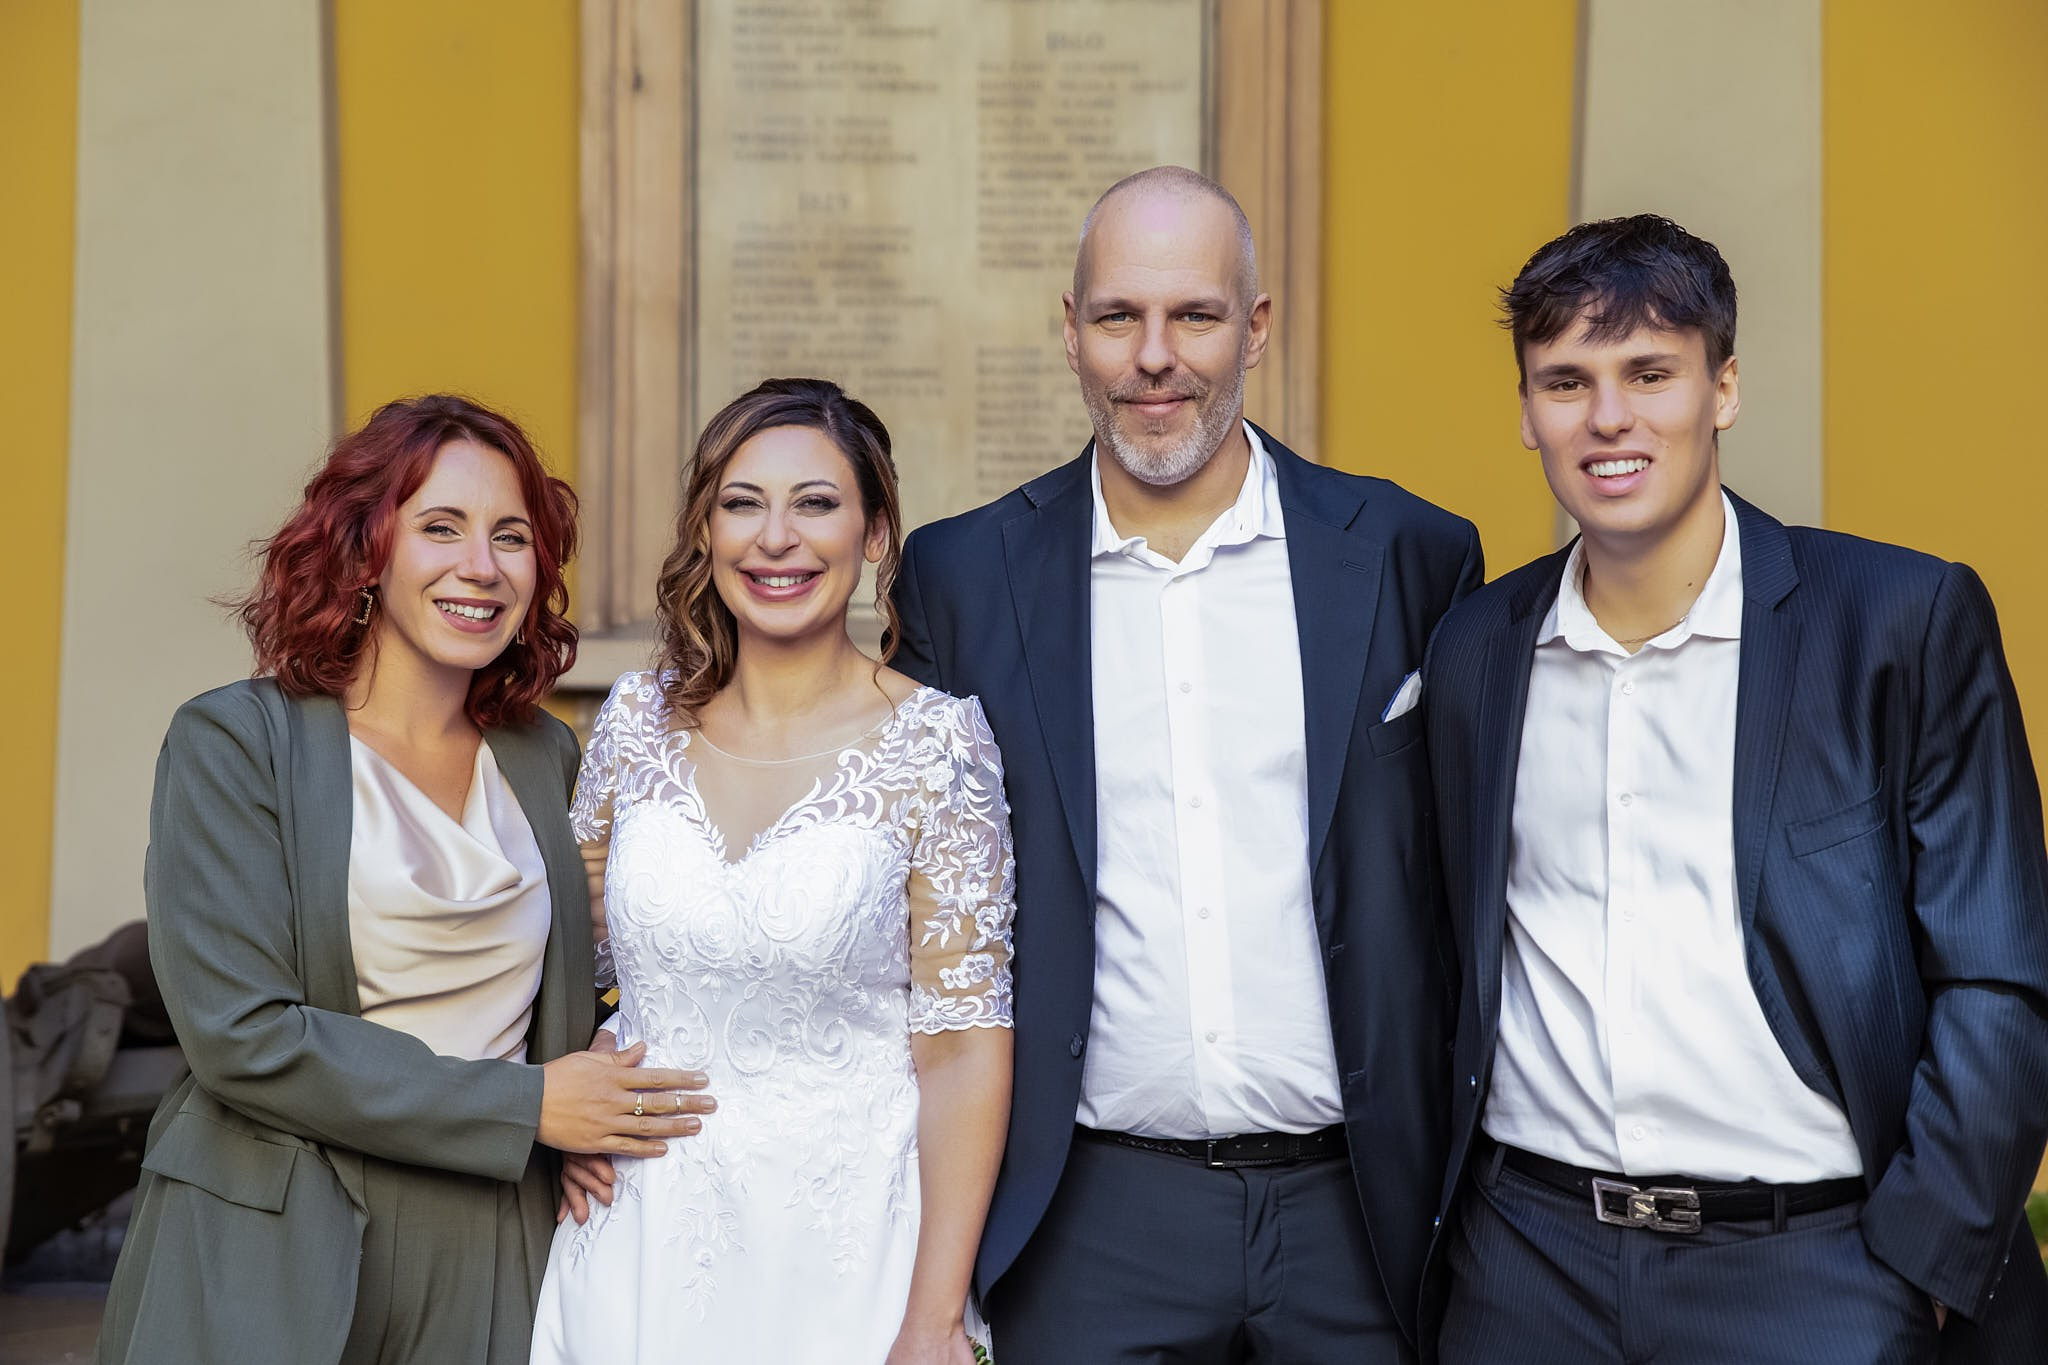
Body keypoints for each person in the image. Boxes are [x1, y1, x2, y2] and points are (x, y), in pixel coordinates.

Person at [1423, 214, 2048, 1364]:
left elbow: (1998, 972)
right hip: (1525, 1269)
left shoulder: (1895, 624)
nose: (1606, 417)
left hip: (1813, 1272)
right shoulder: (1472, 651)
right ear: (1524, 412)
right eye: (1564, 380)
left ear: (1722, 387)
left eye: (1648, 373)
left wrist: (1921, 1264)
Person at [889, 166, 1483, 1361]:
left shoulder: (1411, 554)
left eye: (1194, 317)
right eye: (1117, 318)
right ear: (1070, 334)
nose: (1152, 357)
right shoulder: (959, 578)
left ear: (1254, 327)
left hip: (1358, 1218)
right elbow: (908, 901)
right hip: (1086, 1219)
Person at [94, 396, 713, 1365]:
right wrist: (528, 1108)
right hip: (275, 1233)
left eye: (512, 537)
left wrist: (599, 1087)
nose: (482, 566)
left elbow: (588, 974)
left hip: (493, 1236)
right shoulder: (233, 744)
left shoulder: (543, 755)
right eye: (440, 528)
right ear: (364, 552)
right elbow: (239, 1035)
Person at [529, 378, 1015, 1365]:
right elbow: (557, 964)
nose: (775, 538)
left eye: (817, 504)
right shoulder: (632, 723)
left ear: (874, 536)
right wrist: (543, 1106)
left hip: (846, 1255)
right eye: (741, 504)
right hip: (635, 1232)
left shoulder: (938, 745)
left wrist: (934, 1315)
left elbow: (963, 1050)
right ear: (705, 533)